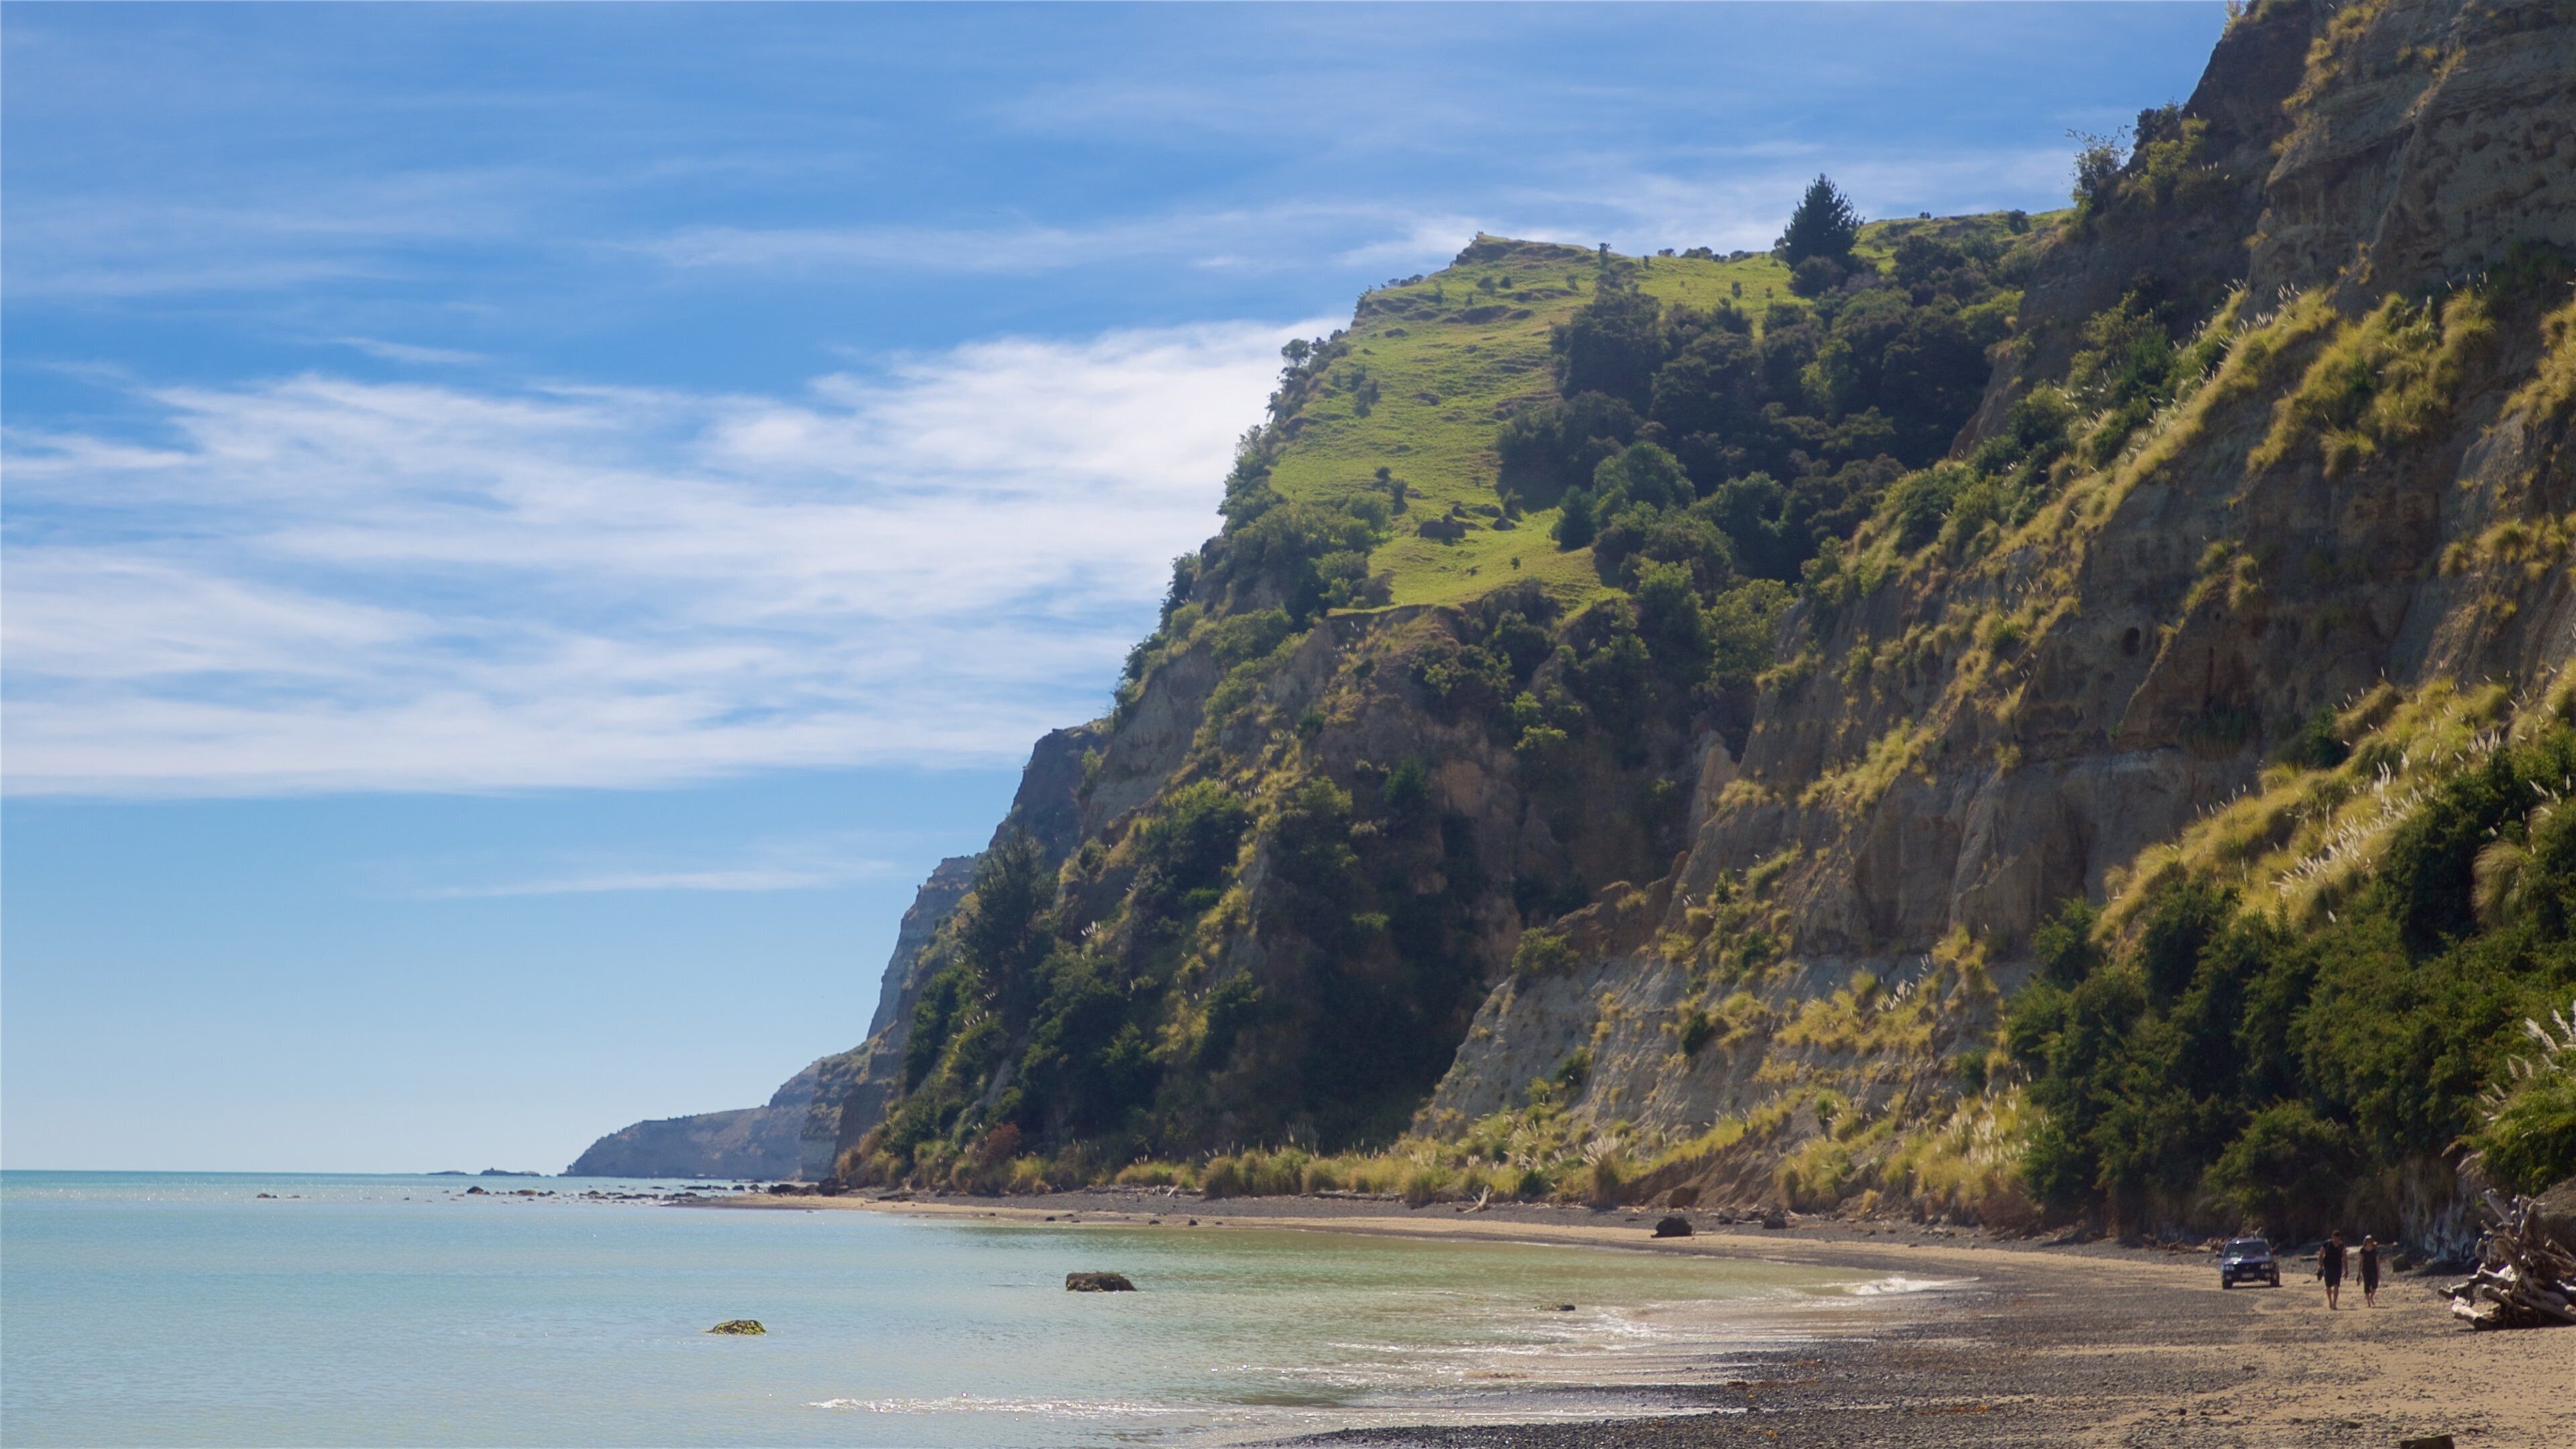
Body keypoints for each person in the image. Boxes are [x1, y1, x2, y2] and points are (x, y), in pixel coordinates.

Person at [2318, 1230, 2346, 1309]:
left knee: (2337, 1285)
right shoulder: (2326, 1244)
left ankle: (2334, 1304)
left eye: (2338, 1238)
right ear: (2332, 1237)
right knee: (2328, 1286)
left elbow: (2345, 1258)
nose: (2336, 1240)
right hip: (2328, 1268)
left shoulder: (2342, 1246)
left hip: (2338, 1268)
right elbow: (2321, 1255)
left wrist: (2346, 1270)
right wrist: (2320, 1266)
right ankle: (2330, 1301)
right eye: (2335, 1238)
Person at [2359, 1235, 2381, 1307]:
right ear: (2365, 1242)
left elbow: (2378, 1262)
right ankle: (2368, 1302)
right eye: (2367, 1241)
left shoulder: (2375, 1251)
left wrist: (2379, 1272)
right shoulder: (2362, 1250)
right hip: (2366, 1270)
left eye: (2370, 1241)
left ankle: (2371, 1297)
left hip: (2374, 1270)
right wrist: (2359, 1272)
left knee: (2375, 1285)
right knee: (2367, 1286)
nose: (2369, 1243)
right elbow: (2361, 1261)